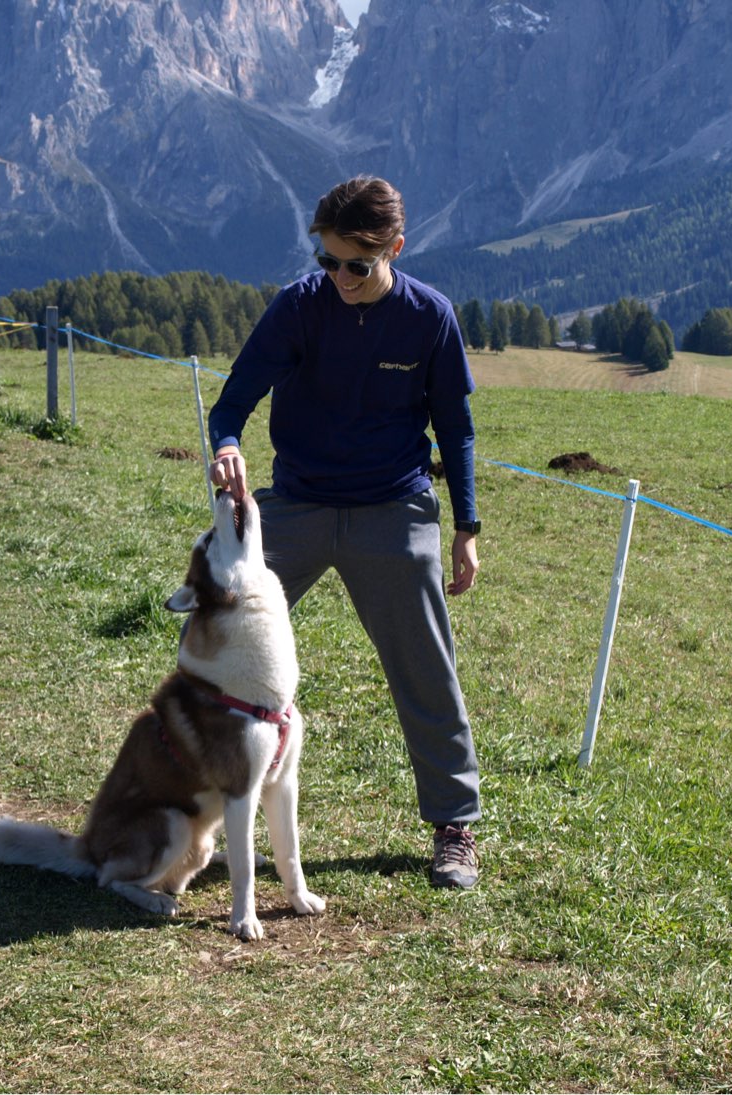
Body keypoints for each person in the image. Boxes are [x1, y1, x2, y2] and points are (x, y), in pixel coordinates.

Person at [206, 175, 482, 889]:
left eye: (356, 265)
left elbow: (456, 430)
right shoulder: (298, 307)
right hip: (296, 505)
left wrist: (466, 528)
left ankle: (454, 825)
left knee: (426, 666)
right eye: (327, 261)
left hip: (394, 509)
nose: (340, 278)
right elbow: (231, 403)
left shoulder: (430, 317)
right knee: (216, 639)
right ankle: (186, 806)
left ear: (395, 248)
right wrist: (227, 444)